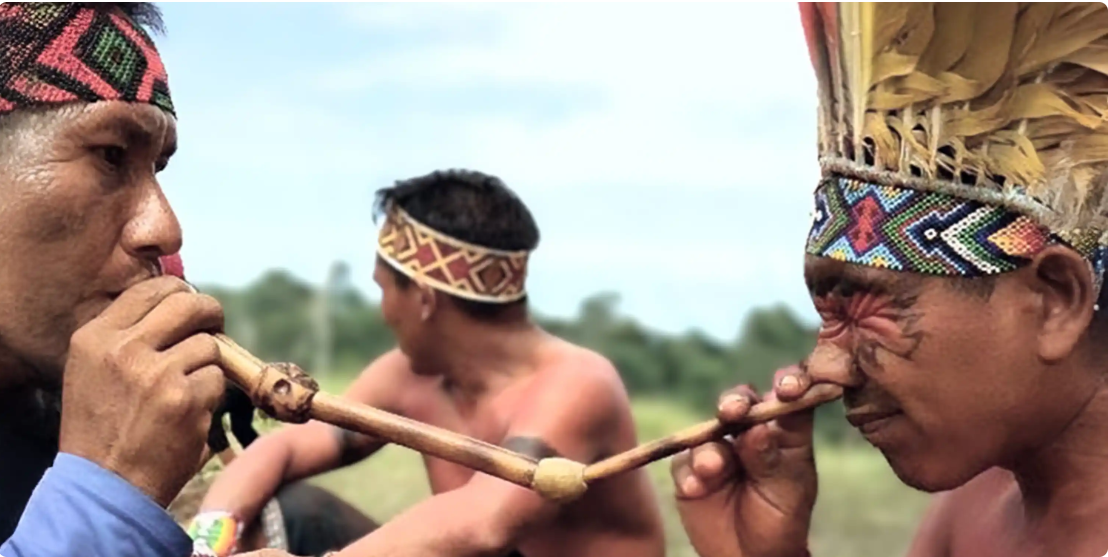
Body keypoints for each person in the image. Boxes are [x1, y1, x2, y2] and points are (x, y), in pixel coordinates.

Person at [672, 2, 1108, 556]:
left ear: (1054, 301)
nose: (826, 368)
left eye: (863, 310)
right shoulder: (971, 514)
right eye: (828, 314)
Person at [194, 169, 667, 557]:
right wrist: (209, 541)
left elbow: (485, 523)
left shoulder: (580, 384)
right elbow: (286, 450)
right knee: (281, 508)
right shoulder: (408, 374)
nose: (382, 311)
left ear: (422, 299)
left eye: (383, 289)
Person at [0, 4, 289, 557]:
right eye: (111, 156)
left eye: (156, 167)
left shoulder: (46, 420)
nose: (166, 228)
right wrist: (104, 494)